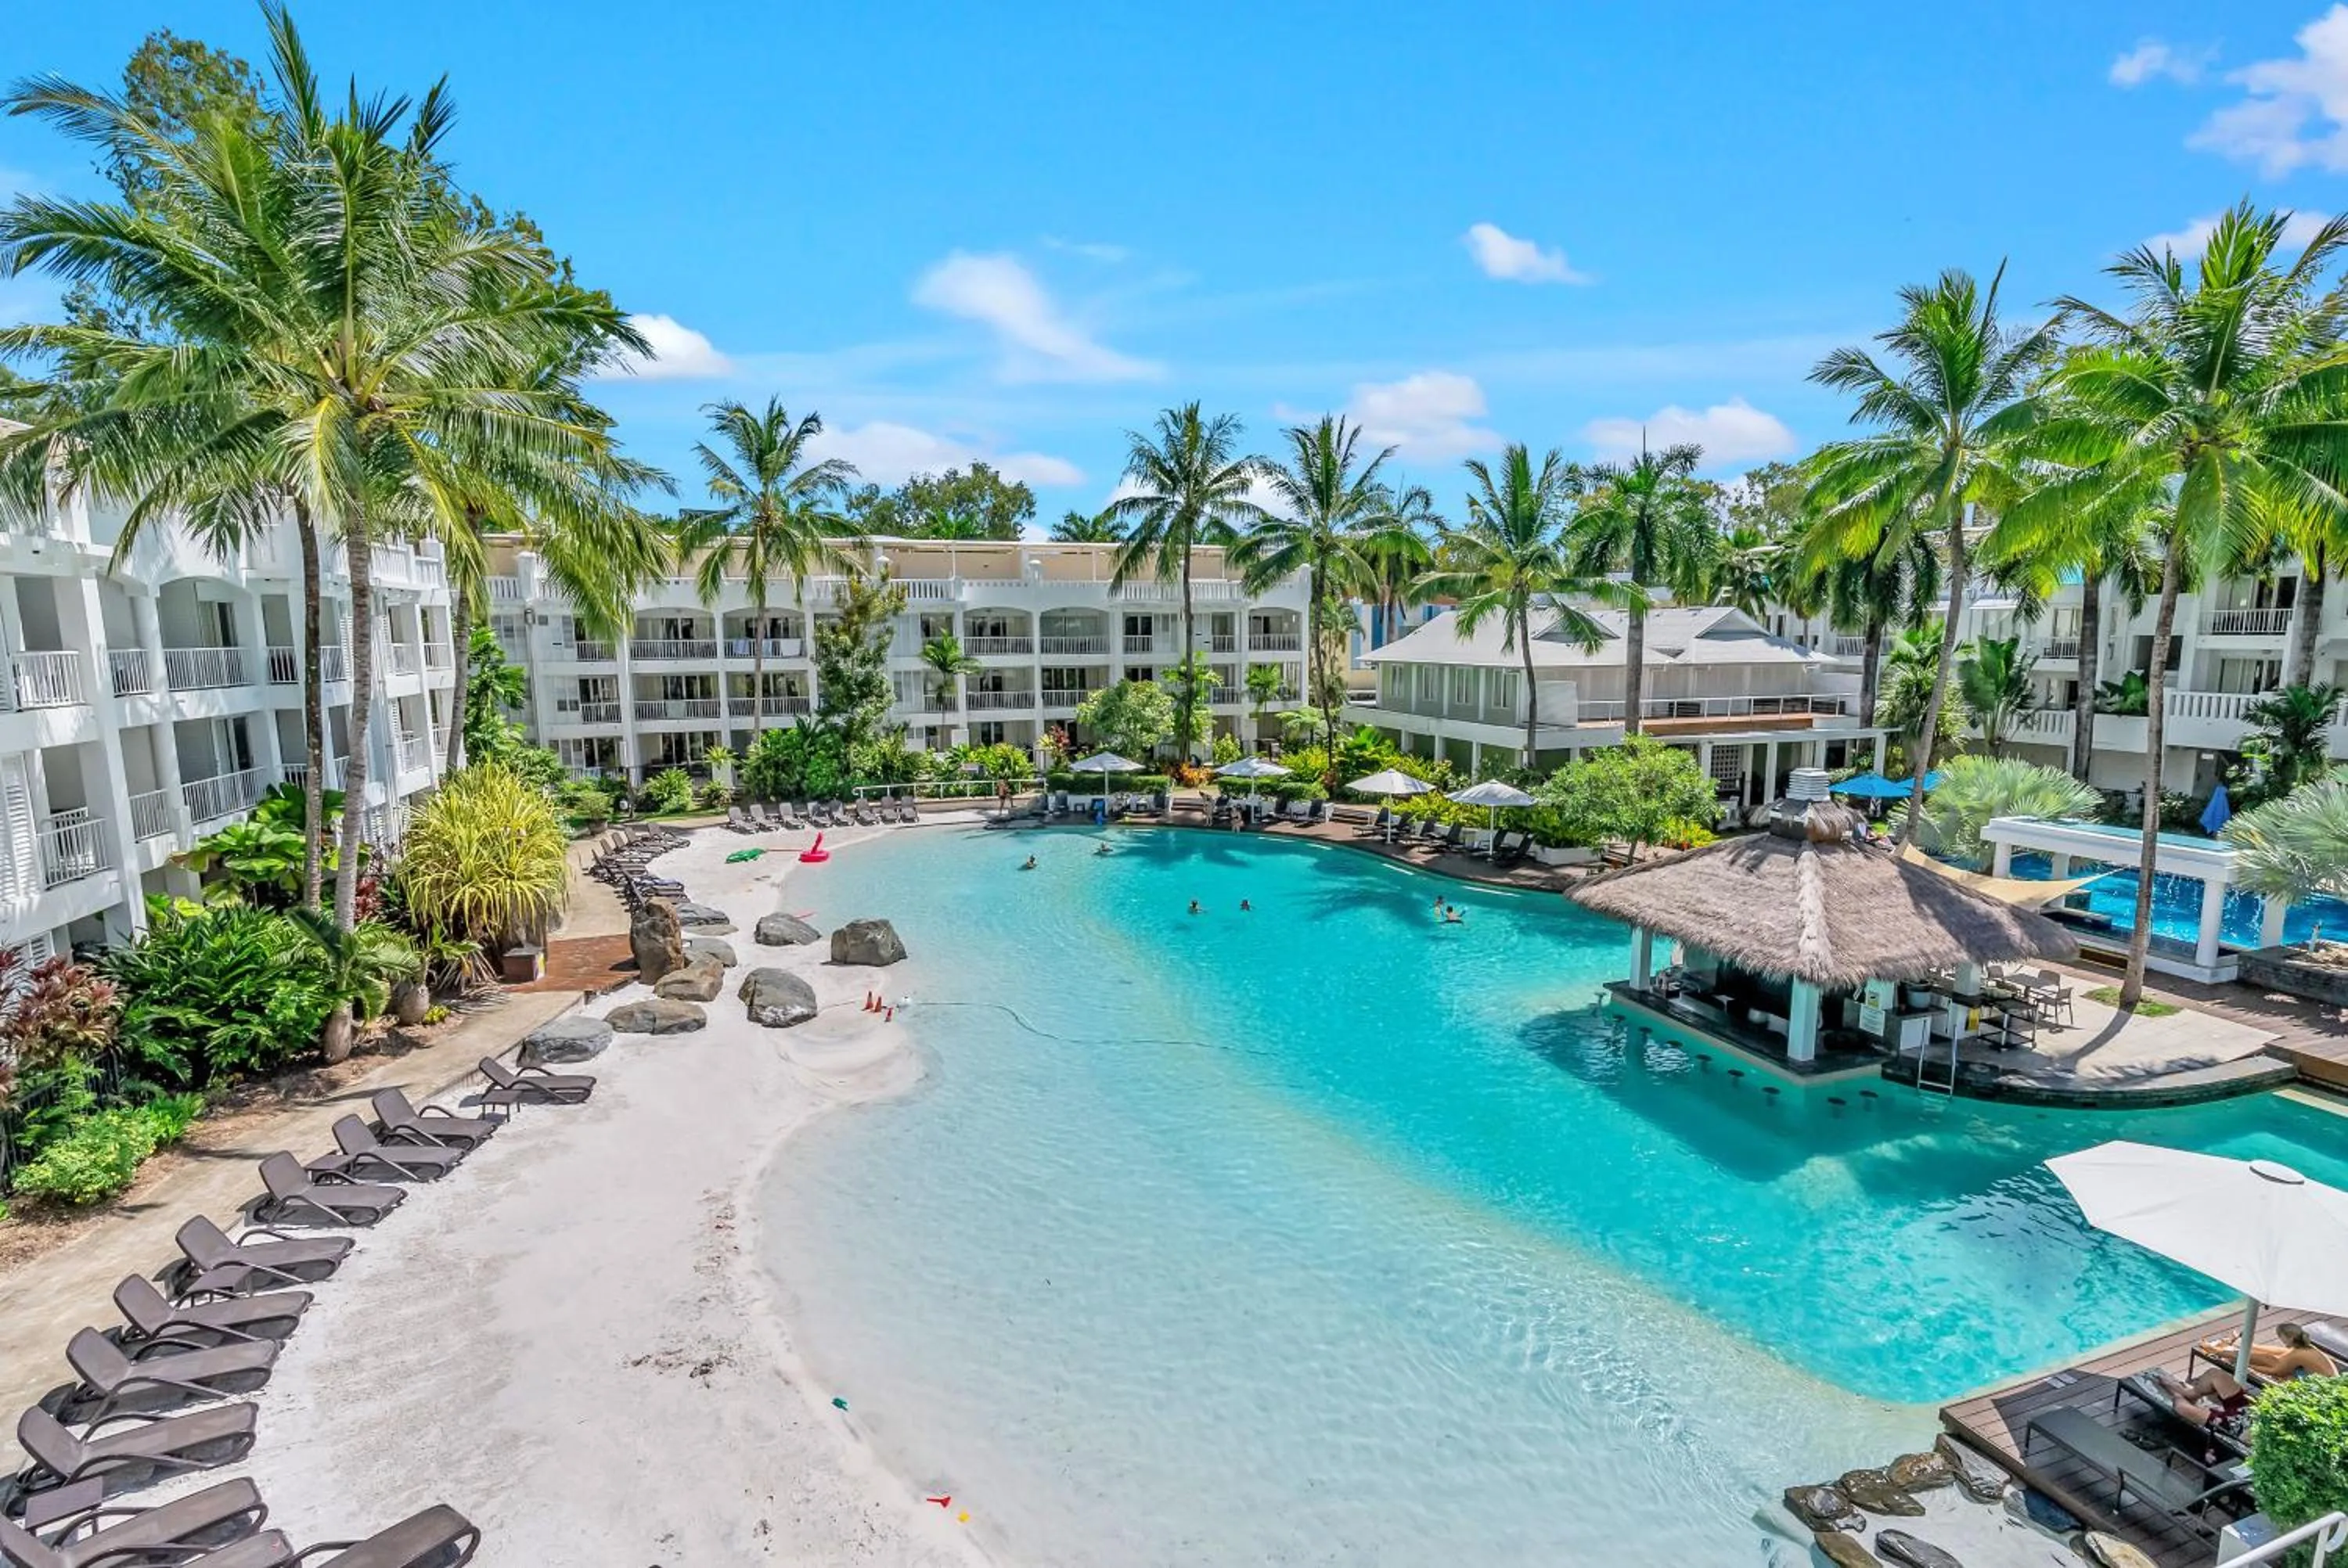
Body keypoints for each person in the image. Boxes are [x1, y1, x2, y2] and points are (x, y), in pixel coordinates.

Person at [2195, 1322, 2340, 1383]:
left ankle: (2217, 1350)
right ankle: (2235, 1347)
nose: (2280, 1339)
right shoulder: (2304, 1347)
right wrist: (2251, 1349)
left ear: (2290, 1338)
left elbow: (2276, 1371)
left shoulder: (2299, 1354)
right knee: (2272, 1356)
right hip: (2321, 1379)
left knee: (2270, 1361)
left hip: (2320, 1388)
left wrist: (2248, 1366)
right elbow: (2280, 1354)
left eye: (2281, 1337)